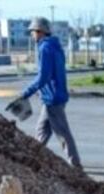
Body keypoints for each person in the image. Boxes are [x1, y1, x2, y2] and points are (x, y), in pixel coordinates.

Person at [18, 17, 82, 168]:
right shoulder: (56, 46)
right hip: (54, 95)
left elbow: (44, 76)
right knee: (42, 131)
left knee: (62, 133)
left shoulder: (45, 48)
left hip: (53, 98)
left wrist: (26, 92)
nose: (32, 35)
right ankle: (33, 162)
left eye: (33, 31)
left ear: (40, 32)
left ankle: (76, 166)